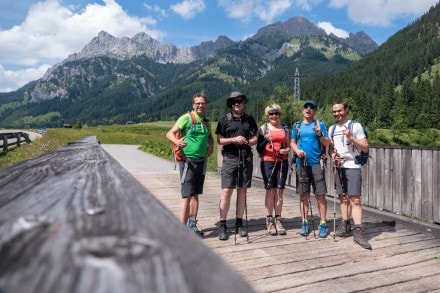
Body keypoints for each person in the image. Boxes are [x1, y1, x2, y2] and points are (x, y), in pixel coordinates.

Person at [166, 93, 214, 236]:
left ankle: (192, 224)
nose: (200, 105)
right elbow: (169, 133)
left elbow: (210, 137)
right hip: (187, 160)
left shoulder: (206, 121)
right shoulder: (186, 118)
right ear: (193, 105)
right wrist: (177, 142)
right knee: (186, 195)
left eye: (203, 103)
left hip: (201, 160)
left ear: (206, 105)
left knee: (195, 194)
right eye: (198, 103)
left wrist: (211, 146)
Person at [328, 101, 372, 250]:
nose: (337, 114)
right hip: (339, 165)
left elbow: (365, 147)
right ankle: (345, 226)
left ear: (346, 110)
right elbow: (331, 149)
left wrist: (351, 137)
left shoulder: (356, 126)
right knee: (343, 197)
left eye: (339, 111)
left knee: (355, 199)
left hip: (353, 165)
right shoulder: (332, 128)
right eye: (334, 112)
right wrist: (333, 155)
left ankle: (358, 231)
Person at [216, 91, 258, 241]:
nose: (236, 104)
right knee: (226, 191)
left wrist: (247, 142)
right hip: (230, 158)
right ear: (230, 104)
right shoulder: (224, 120)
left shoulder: (249, 120)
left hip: (245, 158)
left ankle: (239, 223)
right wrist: (234, 139)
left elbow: (255, 138)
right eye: (234, 102)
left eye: (239, 101)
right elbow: (220, 140)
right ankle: (223, 224)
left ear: (243, 103)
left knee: (242, 191)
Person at [290, 100, 331, 238]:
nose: (308, 109)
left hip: (316, 164)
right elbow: (292, 142)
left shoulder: (320, 125)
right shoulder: (297, 125)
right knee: (303, 196)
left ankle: (323, 224)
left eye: (312, 107)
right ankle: (304, 223)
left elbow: (327, 143)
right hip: (301, 163)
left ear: (315, 111)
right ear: (303, 110)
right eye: (306, 107)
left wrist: (319, 134)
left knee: (320, 195)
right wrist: (297, 151)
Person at [257, 104, 290, 235]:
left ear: (279, 114)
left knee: (280, 191)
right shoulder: (263, 129)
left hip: (282, 161)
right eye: (271, 114)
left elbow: (288, 147)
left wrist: (285, 150)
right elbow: (259, 148)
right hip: (268, 162)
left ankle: (278, 219)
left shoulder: (285, 129)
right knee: (270, 190)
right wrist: (265, 140)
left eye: (275, 113)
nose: (273, 116)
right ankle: (269, 219)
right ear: (267, 116)